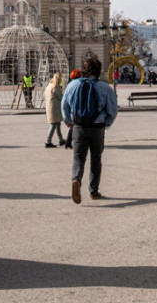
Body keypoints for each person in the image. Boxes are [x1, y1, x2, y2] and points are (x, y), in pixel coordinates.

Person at [62, 56, 118, 203]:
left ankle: (76, 179)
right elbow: (113, 110)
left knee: (78, 157)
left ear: (84, 70)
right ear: (98, 71)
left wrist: (68, 121)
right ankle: (94, 191)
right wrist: (106, 123)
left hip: (79, 126)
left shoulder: (73, 85)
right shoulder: (105, 87)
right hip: (97, 128)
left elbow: (64, 106)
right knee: (96, 159)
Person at [43, 73, 65, 148]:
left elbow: (44, 95)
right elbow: (61, 97)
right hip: (55, 108)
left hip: (50, 107)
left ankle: (61, 140)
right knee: (53, 125)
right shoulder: (56, 86)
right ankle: (48, 141)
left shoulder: (49, 85)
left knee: (57, 124)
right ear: (59, 79)